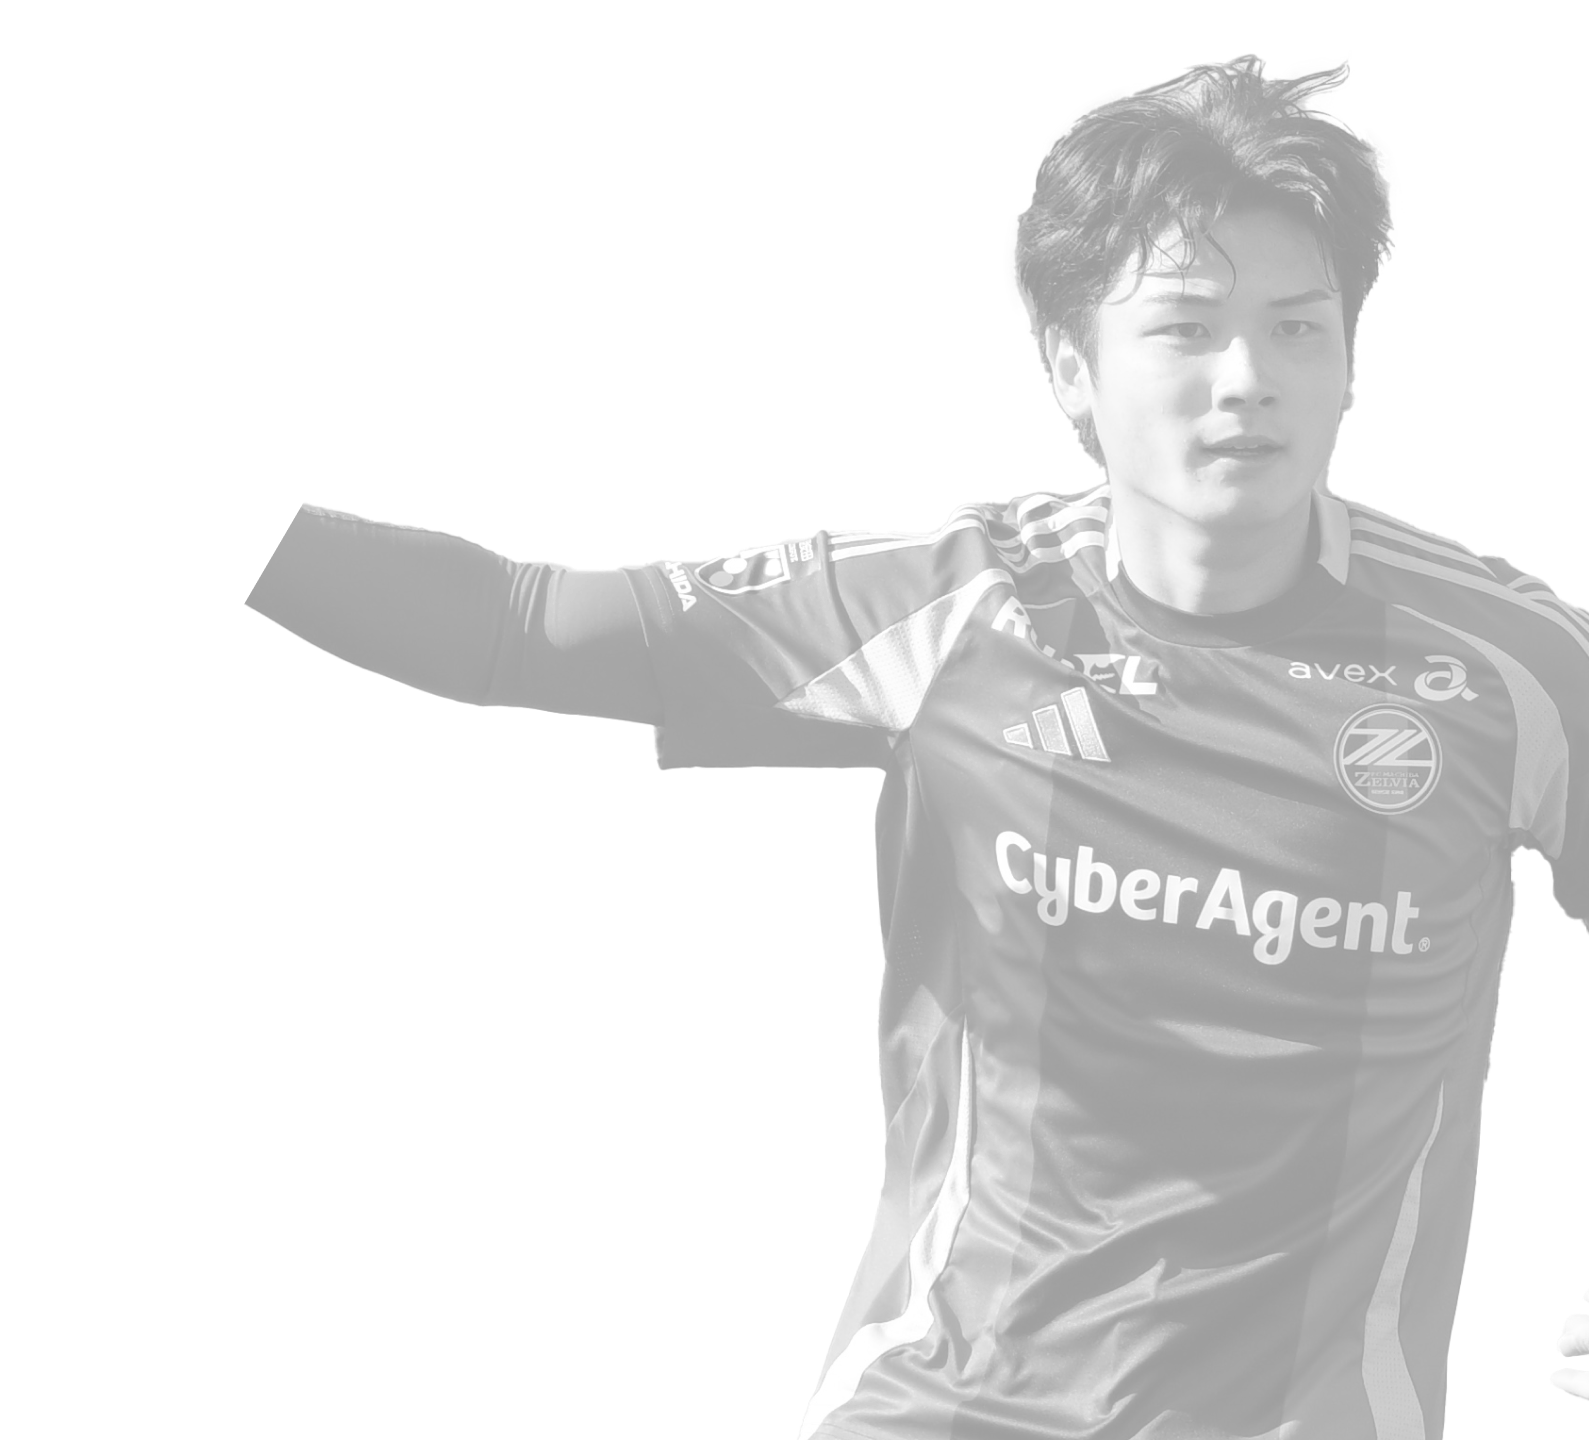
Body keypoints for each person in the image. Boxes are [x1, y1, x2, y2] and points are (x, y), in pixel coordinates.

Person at [245, 53, 1586, 1439]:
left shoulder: (1515, 670)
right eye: (1185, 327)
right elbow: (516, 624)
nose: (1246, 378)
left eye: (1297, 328)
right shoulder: (958, 611)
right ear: (1072, 368)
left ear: (1351, 363)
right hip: (940, 1412)